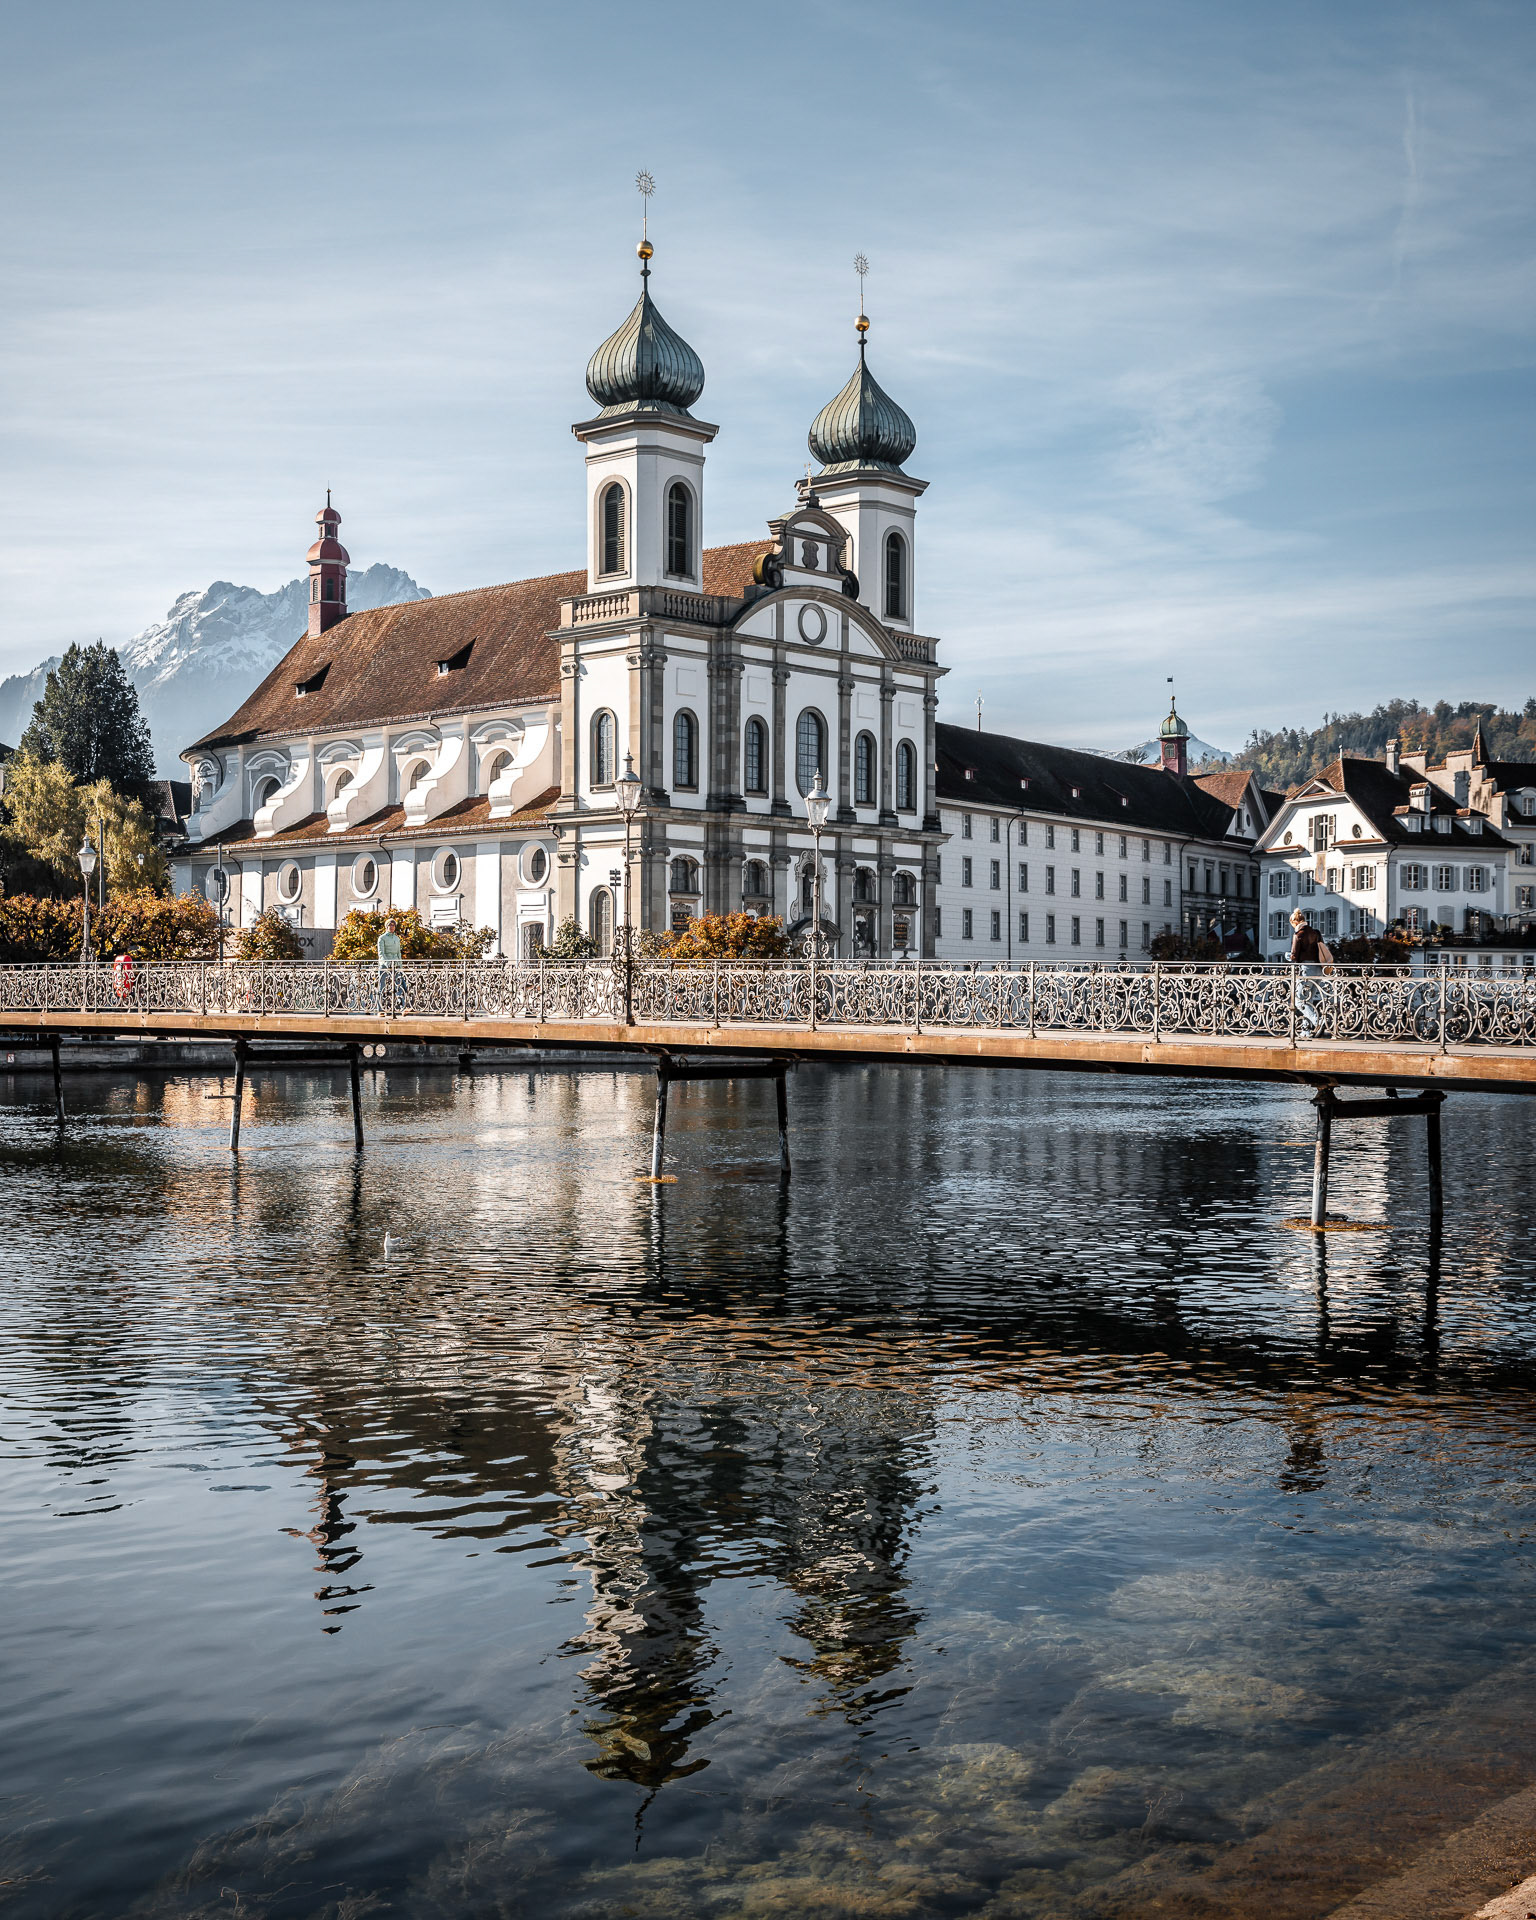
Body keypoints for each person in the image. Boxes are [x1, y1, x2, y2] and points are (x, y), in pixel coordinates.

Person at [1289, 909, 1332, 1033]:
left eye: (1292, 924)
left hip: (1306, 970)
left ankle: (1318, 1022)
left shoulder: (1299, 934)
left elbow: (1294, 956)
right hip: (1319, 969)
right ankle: (1305, 1031)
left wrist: (1289, 956)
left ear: (1295, 922)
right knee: (1309, 1000)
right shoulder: (1316, 932)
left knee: (1299, 1000)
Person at [377, 916, 403, 1010]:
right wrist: (387, 963)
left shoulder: (397, 938)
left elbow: (398, 953)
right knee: (382, 987)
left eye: (393, 925)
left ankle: (402, 1007)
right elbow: (381, 953)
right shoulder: (382, 938)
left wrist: (400, 965)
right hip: (385, 965)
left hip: (395, 964)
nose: (392, 927)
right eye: (390, 925)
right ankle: (380, 1009)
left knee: (399, 986)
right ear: (386, 927)